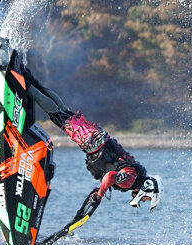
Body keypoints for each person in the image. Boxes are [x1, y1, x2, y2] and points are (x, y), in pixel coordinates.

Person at [11, 51, 163, 213]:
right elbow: (111, 176)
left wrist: (101, 190)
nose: (143, 200)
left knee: (63, 111)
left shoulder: (135, 175)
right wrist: (100, 194)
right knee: (58, 115)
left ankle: (26, 74)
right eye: (147, 198)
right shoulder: (130, 180)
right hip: (93, 143)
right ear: (148, 189)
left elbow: (112, 174)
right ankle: (22, 84)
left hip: (97, 138)